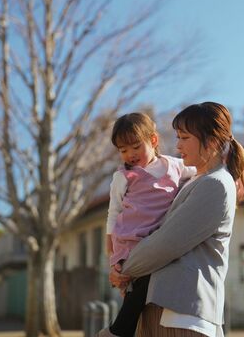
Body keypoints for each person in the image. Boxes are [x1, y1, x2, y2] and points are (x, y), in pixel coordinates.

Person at [109, 102, 244, 337]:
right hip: (169, 310)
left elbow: (165, 243)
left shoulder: (215, 184)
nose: (178, 145)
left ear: (212, 141)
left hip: (184, 315)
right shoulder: (196, 180)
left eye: (184, 137)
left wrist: (124, 269)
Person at [100, 112, 196, 337]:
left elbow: (201, 172)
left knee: (145, 284)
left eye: (135, 146)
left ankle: (120, 329)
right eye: (123, 150)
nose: (130, 155)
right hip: (131, 239)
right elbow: (113, 212)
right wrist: (110, 247)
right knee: (134, 282)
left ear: (153, 140)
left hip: (158, 238)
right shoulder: (123, 177)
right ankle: (120, 329)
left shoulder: (174, 165)